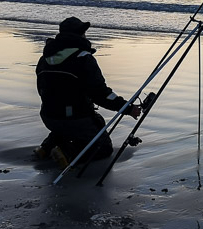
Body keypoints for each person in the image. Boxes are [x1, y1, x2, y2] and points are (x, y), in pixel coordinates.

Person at [34, 16, 141, 167]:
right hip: (75, 119)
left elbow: (41, 90)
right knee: (103, 147)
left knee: (68, 125)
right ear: (80, 34)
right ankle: (66, 153)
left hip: (48, 116)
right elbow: (101, 94)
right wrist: (128, 108)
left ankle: (45, 148)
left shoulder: (44, 59)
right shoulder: (83, 58)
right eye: (83, 32)